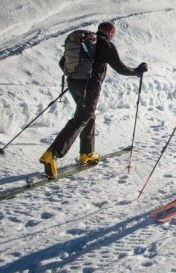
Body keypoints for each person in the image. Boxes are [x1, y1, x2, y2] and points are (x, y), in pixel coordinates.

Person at [39, 22, 148, 178]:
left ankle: (87, 153)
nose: (113, 36)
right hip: (89, 86)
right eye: (113, 34)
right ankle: (51, 154)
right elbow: (120, 68)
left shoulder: (85, 42)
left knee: (88, 114)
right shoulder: (105, 44)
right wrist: (137, 71)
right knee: (82, 117)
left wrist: (75, 75)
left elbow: (62, 62)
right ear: (110, 32)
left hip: (73, 82)